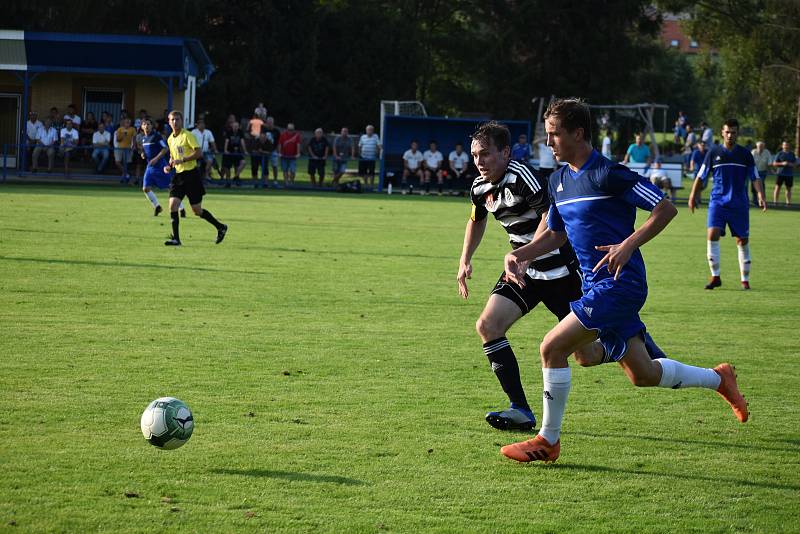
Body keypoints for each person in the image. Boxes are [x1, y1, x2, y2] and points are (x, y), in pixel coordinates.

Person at [499, 99, 749, 464]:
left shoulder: (608, 174)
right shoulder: (558, 181)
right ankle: (719, 378)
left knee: (551, 348)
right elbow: (554, 235)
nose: (549, 142)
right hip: (594, 287)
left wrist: (629, 244)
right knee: (638, 373)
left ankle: (547, 441)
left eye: (554, 134)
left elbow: (665, 207)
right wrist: (519, 255)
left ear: (578, 133)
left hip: (620, 284)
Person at [459, 119, 668, 435]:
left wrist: (526, 250)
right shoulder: (479, 186)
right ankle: (520, 409)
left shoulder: (524, 177)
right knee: (488, 326)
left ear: (505, 152)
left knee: (585, 356)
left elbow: (551, 217)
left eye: (486, 154)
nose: (479, 162)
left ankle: (628, 338)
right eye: (475, 156)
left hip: (562, 272)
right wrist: (465, 261)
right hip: (525, 272)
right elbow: (476, 219)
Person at [688, 119, 767, 291]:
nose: (730, 135)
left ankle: (744, 280)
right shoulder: (713, 152)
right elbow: (701, 176)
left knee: (742, 240)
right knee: (712, 234)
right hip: (717, 202)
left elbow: (755, 177)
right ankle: (715, 276)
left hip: (739, 203)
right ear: (722, 133)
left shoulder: (745, 154)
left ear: (737, 134)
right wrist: (693, 194)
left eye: (734, 132)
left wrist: (760, 195)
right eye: (728, 132)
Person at [163, 110, 227, 247]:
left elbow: (199, 153)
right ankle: (176, 239)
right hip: (179, 176)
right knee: (173, 205)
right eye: (172, 120)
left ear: (181, 121)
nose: (175, 122)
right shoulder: (170, 139)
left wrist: (184, 160)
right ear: (169, 122)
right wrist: (169, 166)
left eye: (177, 119)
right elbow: (173, 157)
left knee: (197, 210)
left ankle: (220, 227)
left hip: (192, 175)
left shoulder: (188, 135)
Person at [140, 117, 186, 217]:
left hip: (161, 165)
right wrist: (143, 154)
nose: (146, 126)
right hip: (150, 167)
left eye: (148, 124)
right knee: (145, 188)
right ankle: (157, 207)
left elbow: (165, 148)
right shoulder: (143, 138)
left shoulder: (156, 136)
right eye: (144, 124)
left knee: (170, 187)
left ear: (152, 126)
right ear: (141, 126)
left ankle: (182, 208)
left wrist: (156, 158)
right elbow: (146, 151)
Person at [221, 121, 247, 187]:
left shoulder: (240, 132)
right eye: (234, 126)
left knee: (243, 163)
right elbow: (226, 141)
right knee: (227, 168)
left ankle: (236, 177)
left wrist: (245, 151)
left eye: (237, 126)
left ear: (238, 127)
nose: (236, 127)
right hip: (229, 152)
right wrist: (225, 150)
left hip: (237, 152)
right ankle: (228, 182)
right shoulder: (228, 132)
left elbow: (242, 142)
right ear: (232, 126)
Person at [771, 141, 796, 205]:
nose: (786, 146)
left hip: (789, 174)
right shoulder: (779, 153)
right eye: (785, 145)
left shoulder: (792, 154)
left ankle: (788, 203)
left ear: (789, 146)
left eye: (787, 145)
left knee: (788, 188)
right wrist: (782, 163)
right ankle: (775, 202)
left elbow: (795, 164)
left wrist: (790, 164)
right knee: (777, 187)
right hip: (780, 173)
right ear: (782, 146)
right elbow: (774, 163)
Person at [278, 123, 302, 187]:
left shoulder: (297, 135)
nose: (290, 131)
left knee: (293, 171)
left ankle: (291, 182)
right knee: (285, 170)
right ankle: (286, 183)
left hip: (293, 157)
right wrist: (279, 153)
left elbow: (298, 145)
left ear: (294, 130)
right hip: (284, 156)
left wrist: (298, 153)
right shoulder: (283, 135)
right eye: (289, 129)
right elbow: (280, 144)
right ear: (286, 129)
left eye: (291, 130)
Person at [114, 117, 136, 183]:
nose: (127, 124)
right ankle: (126, 174)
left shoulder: (133, 129)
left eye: (129, 122)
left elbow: (134, 138)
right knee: (117, 162)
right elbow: (118, 139)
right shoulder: (120, 129)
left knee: (126, 163)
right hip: (119, 147)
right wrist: (123, 135)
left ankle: (124, 176)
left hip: (128, 148)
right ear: (124, 123)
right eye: (126, 122)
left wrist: (133, 146)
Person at [751, 141, 772, 207]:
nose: (760, 148)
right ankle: (755, 201)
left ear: (764, 147)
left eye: (762, 146)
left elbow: (769, 163)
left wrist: (771, 170)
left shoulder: (767, 152)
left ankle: (762, 201)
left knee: (761, 184)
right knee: (754, 187)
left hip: (763, 172)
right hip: (754, 171)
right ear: (756, 146)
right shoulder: (753, 152)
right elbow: (750, 162)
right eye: (759, 146)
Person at [262, 117, 281, 187]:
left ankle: (275, 181)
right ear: (266, 123)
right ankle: (265, 182)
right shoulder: (263, 130)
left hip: (274, 150)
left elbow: (279, 142)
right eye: (268, 122)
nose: (269, 124)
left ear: (273, 123)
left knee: (275, 166)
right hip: (265, 151)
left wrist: (279, 152)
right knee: (265, 166)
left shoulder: (277, 131)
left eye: (271, 122)